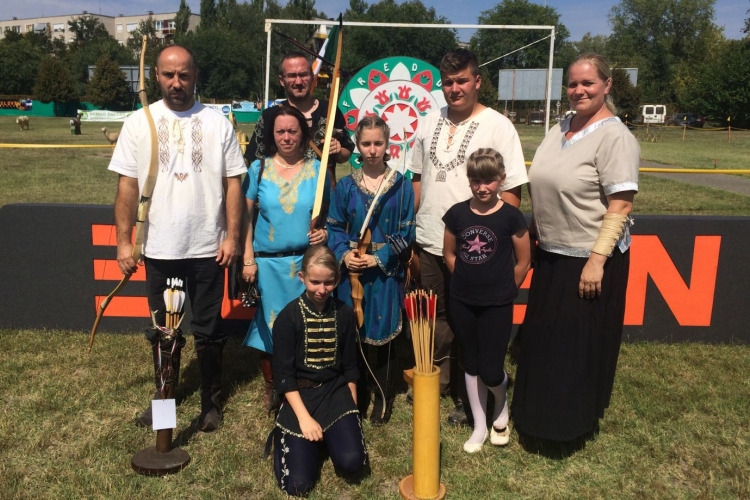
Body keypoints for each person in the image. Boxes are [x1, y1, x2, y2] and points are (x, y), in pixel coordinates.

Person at [109, 45, 246, 431]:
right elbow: (127, 186)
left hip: (207, 248)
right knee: (164, 332)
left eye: (184, 75)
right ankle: (165, 402)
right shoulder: (140, 122)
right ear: (156, 75)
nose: (176, 83)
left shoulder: (217, 122)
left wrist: (231, 237)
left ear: (195, 76)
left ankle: (211, 403)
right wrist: (124, 242)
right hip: (159, 248)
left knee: (208, 330)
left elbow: (232, 182)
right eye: (169, 75)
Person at [511, 53, 640, 442]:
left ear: (606, 85)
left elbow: (621, 204)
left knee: (573, 347)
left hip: (588, 258)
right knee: (544, 341)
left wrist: (597, 260)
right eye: (572, 84)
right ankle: (533, 415)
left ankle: (566, 425)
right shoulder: (560, 127)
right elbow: (546, 189)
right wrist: (534, 234)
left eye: (588, 83)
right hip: (551, 252)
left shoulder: (615, 136)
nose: (579, 90)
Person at [406, 48, 528, 425]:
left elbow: (511, 191)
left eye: (462, 81)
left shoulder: (498, 126)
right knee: (436, 320)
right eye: (448, 82)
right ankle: (433, 383)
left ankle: (467, 397)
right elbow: (417, 179)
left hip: (478, 250)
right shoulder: (428, 122)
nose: (454, 88)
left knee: (470, 325)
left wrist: (499, 244)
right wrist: (413, 232)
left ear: (477, 81)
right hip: (431, 241)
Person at [241, 105, 330, 413]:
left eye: (293, 130)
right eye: (280, 131)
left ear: (302, 133)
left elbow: (329, 216)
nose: (287, 137)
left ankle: (302, 385)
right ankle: (272, 387)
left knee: (304, 328)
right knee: (269, 327)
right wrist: (248, 258)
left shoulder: (318, 168)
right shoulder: (258, 169)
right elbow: (245, 216)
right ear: (271, 134)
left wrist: (325, 234)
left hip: (305, 266)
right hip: (268, 265)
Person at [327, 116, 415, 424]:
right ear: (357, 145)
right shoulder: (347, 186)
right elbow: (335, 226)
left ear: (387, 144)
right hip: (352, 272)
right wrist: (343, 255)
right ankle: (357, 393)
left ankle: (382, 395)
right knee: (355, 334)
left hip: (384, 273)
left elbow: (407, 230)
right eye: (366, 144)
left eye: (378, 143)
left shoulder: (400, 185)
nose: (372, 150)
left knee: (383, 338)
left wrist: (379, 259)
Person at [442, 148, 530, 453]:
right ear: (468, 181)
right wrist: (465, 280)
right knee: (472, 362)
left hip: (498, 303)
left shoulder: (511, 216)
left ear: (501, 180)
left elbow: (523, 260)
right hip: (462, 300)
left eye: (489, 181)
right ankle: (480, 424)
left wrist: (506, 288)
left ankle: (500, 407)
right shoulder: (456, 213)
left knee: (492, 369)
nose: (482, 187)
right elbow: (450, 254)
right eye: (476, 180)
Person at [271, 245, 367, 496]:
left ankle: (328, 438)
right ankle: (292, 435)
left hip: (335, 394)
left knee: (352, 463)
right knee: (297, 485)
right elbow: (284, 377)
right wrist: (303, 419)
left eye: (329, 283)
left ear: (336, 279)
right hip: (299, 397)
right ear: (302, 277)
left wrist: (351, 410)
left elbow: (350, 367)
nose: (322, 290)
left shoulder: (344, 313)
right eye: (314, 282)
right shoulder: (288, 318)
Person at [245, 52, 354, 187]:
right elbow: (256, 161)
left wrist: (337, 151)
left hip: (322, 199)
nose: (298, 81)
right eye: (292, 75)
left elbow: (346, 152)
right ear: (281, 80)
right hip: (280, 195)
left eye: (303, 75)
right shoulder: (270, 116)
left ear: (312, 77)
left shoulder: (330, 111)